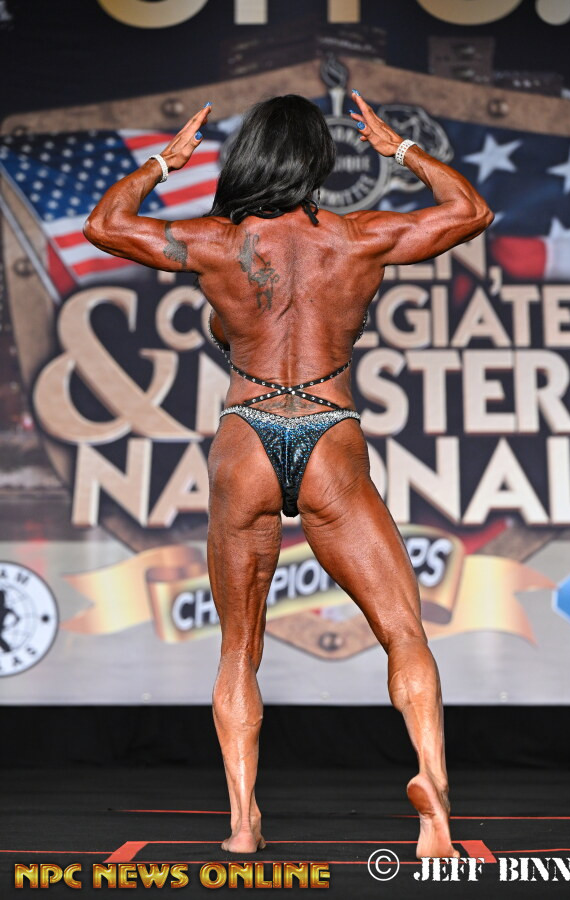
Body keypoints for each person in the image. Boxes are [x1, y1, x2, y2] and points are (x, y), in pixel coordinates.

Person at [84, 91, 493, 858]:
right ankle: (433, 800)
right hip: (328, 431)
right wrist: (403, 150)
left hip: (247, 435)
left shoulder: (217, 241)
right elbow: (470, 211)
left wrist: (163, 163)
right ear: (318, 162)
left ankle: (243, 823)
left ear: (248, 158)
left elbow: (105, 225)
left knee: (239, 647)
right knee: (403, 630)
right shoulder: (358, 237)